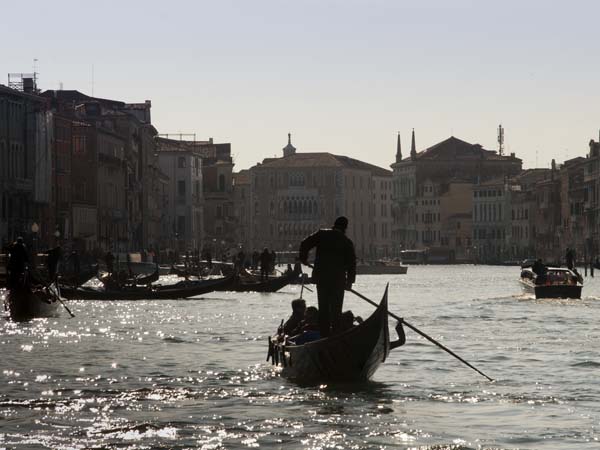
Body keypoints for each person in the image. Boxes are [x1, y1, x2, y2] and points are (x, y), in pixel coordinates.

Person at [299, 216, 356, 338]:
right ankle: (335, 336)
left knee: (323, 308)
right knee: (336, 310)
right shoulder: (346, 241)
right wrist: (349, 282)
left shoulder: (322, 234)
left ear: (334, 225)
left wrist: (303, 258)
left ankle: (324, 336)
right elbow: (352, 264)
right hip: (338, 280)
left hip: (322, 278)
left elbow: (304, 244)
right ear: (345, 228)